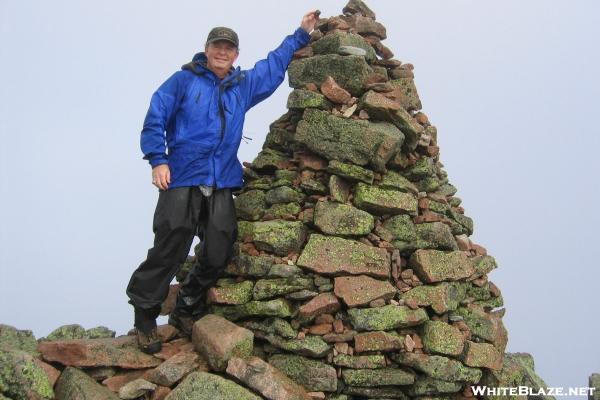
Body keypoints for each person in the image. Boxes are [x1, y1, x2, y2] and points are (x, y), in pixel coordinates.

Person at [125, 11, 318, 354]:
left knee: (219, 248)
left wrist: (300, 35)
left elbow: (271, 69)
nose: (222, 53)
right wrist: (158, 160)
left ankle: (186, 307)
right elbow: (156, 115)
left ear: (235, 55)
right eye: (218, 46)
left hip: (222, 179)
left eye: (229, 48)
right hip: (182, 175)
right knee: (171, 245)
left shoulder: (241, 86)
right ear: (207, 48)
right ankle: (145, 317)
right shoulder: (183, 81)